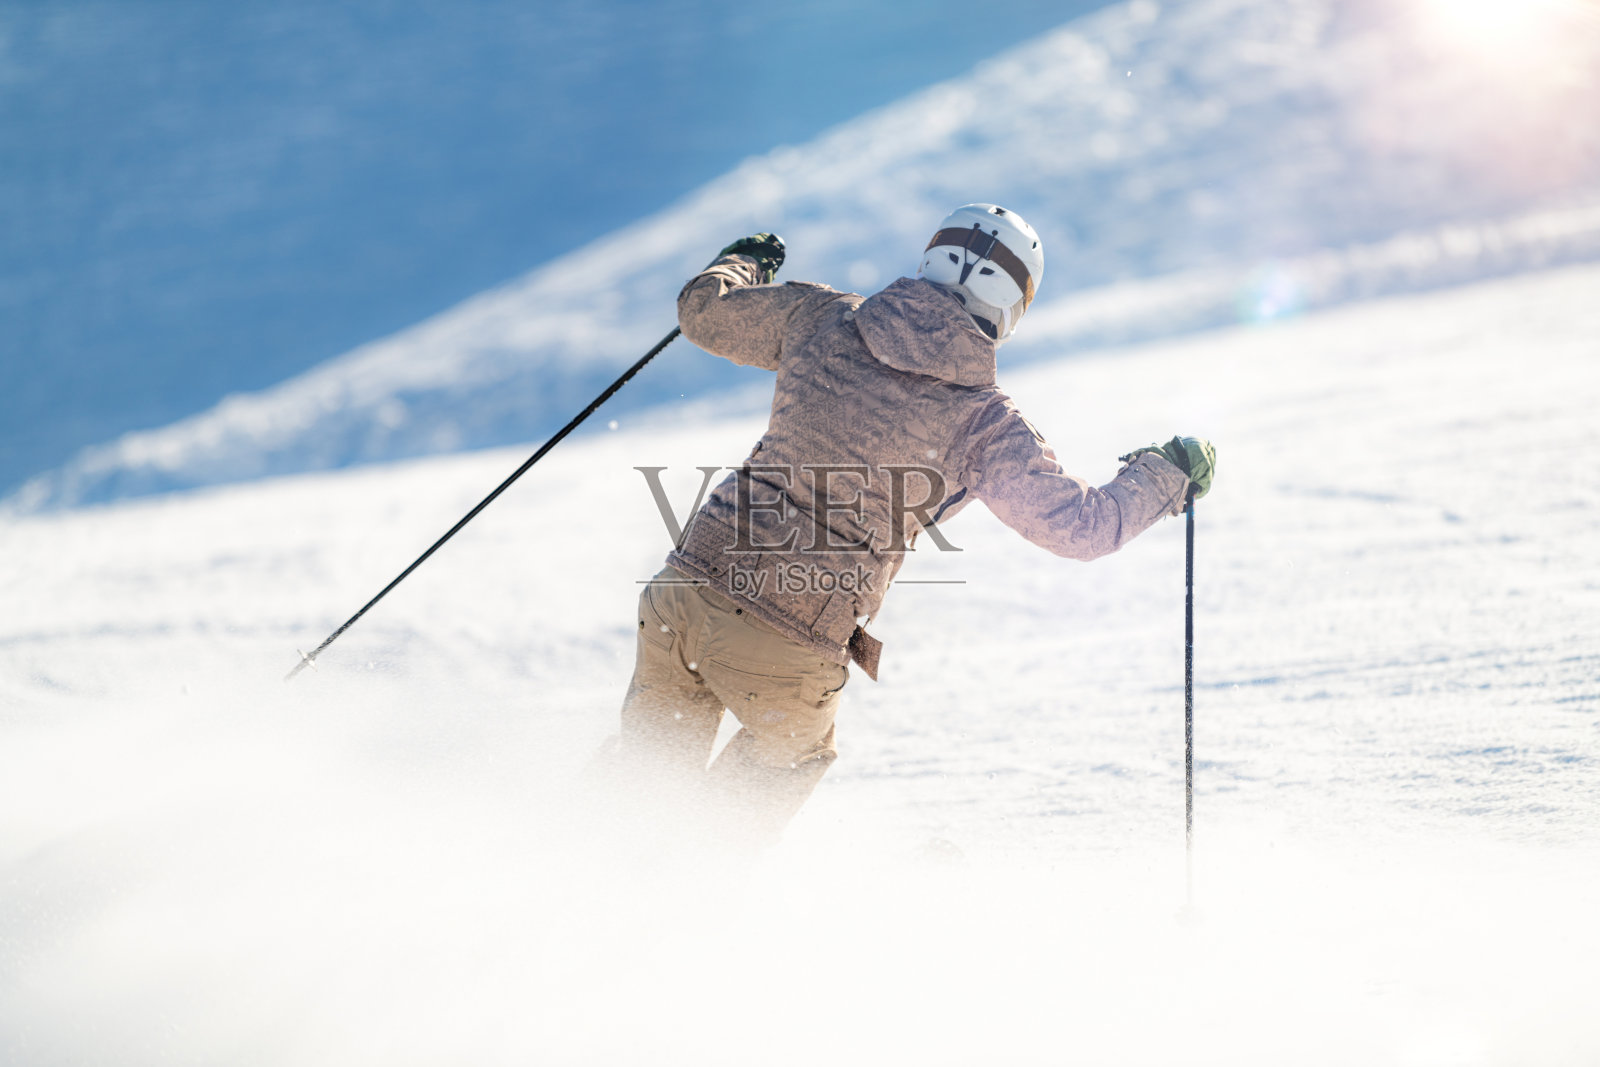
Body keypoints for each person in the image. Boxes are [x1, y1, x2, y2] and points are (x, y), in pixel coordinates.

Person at [612, 204, 1214, 846]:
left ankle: (592, 865)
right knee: (773, 769)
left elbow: (702, 314)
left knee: (642, 784)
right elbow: (1081, 528)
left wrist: (742, 264)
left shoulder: (822, 316)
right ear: (1012, 307)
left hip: (686, 591)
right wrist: (1166, 474)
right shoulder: (983, 422)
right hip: (788, 640)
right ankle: (681, 876)